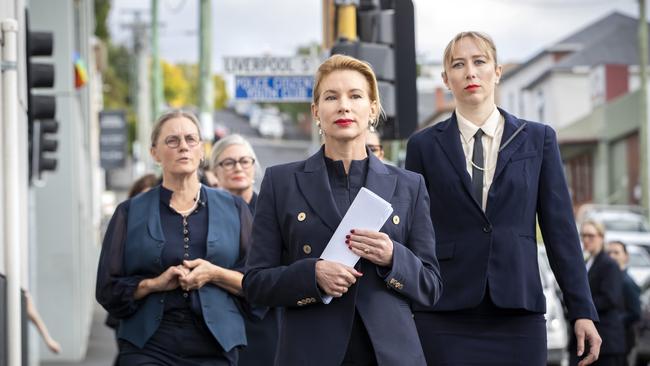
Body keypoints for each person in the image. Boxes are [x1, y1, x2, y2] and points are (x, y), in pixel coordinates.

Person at [405, 31, 601, 365]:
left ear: (497, 72)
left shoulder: (538, 140)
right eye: (458, 65)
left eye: (480, 62)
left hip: (518, 311)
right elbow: (414, 232)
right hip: (443, 311)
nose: (470, 72)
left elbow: (561, 232)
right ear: (446, 79)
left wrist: (581, 309)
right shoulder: (423, 146)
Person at [242, 54, 442, 366]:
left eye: (355, 96)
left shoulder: (409, 185)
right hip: (309, 352)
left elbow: (431, 287)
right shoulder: (280, 182)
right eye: (331, 97)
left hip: (391, 354)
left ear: (373, 109)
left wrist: (393, 257)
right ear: (316, 111)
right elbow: (254, 283)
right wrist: (312, 275)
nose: (343, 106)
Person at [96, 109, 253, 365]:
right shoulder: (129, 212)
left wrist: (214, 274)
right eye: (172, 140)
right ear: (154, 153)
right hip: (148, 344)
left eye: (191, 140)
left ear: (201, 151)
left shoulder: (234, 209)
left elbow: (258, 281)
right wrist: (153, 284)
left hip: (216, 345)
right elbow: (107, 288)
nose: (183, 147)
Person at [209, 134, 279, 366]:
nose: (237, 167)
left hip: (265, 323)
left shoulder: (275, 214)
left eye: (244, 161)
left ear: (254, 167)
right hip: (215, 322)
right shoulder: (203, 215)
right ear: (214, 172)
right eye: (228, 162)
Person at [607, 240, 640, 365]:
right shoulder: (610, 278)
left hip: (623, 340)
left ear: (626, 257)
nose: (612, 256)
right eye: (609, 252)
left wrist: (613, 320)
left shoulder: (627, 282)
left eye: (616, 252)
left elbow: (636, 312)